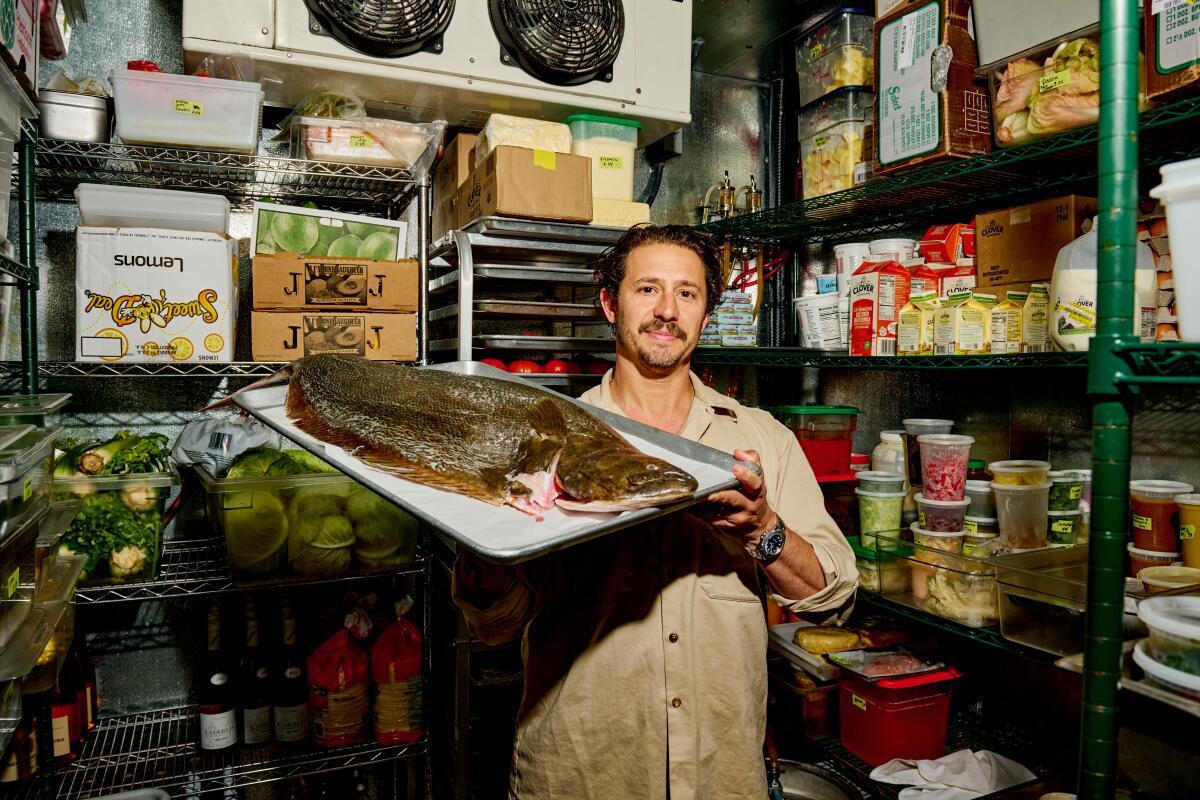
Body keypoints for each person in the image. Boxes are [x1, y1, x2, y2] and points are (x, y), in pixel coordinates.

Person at [453, 224, 857, 799]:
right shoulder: (544, 442)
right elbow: (493, 628)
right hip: (582, 776)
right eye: (647, 289)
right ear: (609, 304)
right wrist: (482, 553)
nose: (667, 310)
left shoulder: (763, 440)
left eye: (687, 294)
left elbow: (833, 598)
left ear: (706, 313)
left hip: (720, 776)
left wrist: (762, 529)